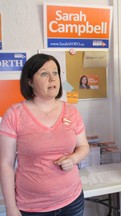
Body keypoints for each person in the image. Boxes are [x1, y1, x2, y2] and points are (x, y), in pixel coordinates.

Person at [0, 53, 90, 216]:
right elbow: (6, 163)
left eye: (55, 73)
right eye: (44, 73)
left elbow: (83, 146)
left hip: (72, 201)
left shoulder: (71, 111)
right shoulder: (14, 114)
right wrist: (11, 207)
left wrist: (73, 159)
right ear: (30, 82)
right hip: (32, 207)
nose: (52, 78)